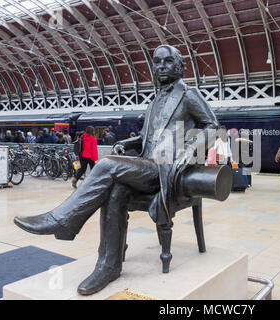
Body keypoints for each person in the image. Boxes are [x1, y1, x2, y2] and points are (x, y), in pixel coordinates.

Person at [13, 44, 218, 295]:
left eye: (167, 62)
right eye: (156, 62)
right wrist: (127, 143)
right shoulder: (154, 102)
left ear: (179, 66)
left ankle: (63, 220)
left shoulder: (188, 94)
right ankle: (109, 266)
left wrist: (188, 150)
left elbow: (212, 126)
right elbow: (146, 139)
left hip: (166, 170)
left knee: (107, 163)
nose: (161, 66)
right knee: (115, 191)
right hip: (146, 164)